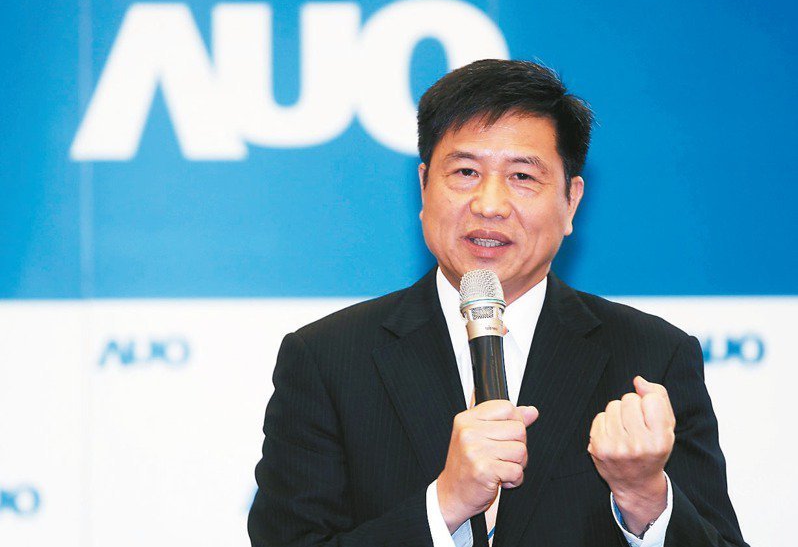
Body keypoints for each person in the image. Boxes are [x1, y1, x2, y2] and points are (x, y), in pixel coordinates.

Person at [247, 59, 748, 547]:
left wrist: (644, 496)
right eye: (465, 171)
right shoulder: (327, 359)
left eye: (522, 177)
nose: (489, 205)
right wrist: (444, 505)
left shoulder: (652, 358)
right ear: (424, 186)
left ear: (571, 201)